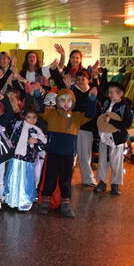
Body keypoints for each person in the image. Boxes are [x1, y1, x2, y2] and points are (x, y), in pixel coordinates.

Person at [36, 87, 97, 217]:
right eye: (62, 100)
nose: (65, 103)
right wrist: (37, 94)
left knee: (66, 179)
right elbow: (39, 109)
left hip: (68, 154)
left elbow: (90, 115)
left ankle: (66, 202)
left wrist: (92, 99)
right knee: (50, 177)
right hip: (53, 152)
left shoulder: (77, 117)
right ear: (57, 101)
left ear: (73, 102)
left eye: (69, 100)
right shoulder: (51, 114)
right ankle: (46, 200)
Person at [4, 109, 47, 211]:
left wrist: (36, 142)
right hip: (16, 158)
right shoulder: (18, 126)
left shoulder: (37, 130)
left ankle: (24, 201)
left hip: (28, 160)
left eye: (34, 118)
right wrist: (26, 141)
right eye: (29, 117)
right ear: (24, 117)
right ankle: (12, 200)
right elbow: (13, 140)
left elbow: (42, 146)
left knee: (25, 181)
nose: (32, 120)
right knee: (14, 179)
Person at [95, 82, 133, 195]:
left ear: (120, 94)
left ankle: (115, 184)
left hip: (116, 139)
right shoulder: (107, 103)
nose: (109, 95)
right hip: (104, 137)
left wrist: (111, 121)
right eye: (109, 92)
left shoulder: (124, 107)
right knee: (102, 161)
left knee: (116, 163)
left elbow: (127, 124)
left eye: (112, 92)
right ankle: (102, 182)